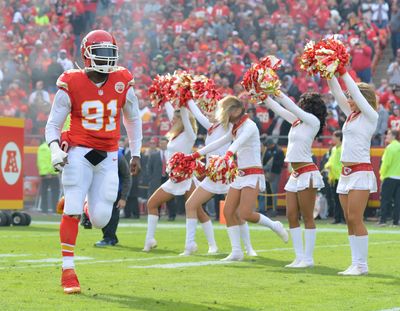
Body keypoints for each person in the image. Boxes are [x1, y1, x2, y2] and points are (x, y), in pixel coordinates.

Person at [45, 30, 142, 294]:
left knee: (100, 219)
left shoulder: (122, 80)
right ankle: (68, 271)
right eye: (101, 53)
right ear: (86, 54)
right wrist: (55, 149)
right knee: (73, 205)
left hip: (109, 154)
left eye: (110, 53)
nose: (107, 59)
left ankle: (85, 204)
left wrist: (136, 153)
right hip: (79, 150)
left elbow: (132, 119)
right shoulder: (71, 81)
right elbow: (53, 124)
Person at [187, 96, 288, 261]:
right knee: (228, 211)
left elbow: (237, 143)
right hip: (239, 174)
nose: (224, 115)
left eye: (227, 111)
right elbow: (219, 142)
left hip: (252, 173)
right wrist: (194, 155)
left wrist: (227, 156)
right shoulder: (235, 127)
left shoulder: (250, 126)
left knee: (245, 213)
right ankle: (236, 252)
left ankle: (274, 225)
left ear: (237, 110)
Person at [183, 99, 257, 256]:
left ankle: (249, 248)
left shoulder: (228, 126)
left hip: (227, 174)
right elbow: (197, 113)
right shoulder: (211, 128)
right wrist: (187, 98)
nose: (208, 113)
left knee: (236, 212)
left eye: (213, 110)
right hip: (212, 174)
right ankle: (192, 245)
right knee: (191, 204)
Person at [264, 92, 326, 268]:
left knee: (307, 217)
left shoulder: (313, 122)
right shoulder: (296, 121)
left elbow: (290, 106)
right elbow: (279, 109)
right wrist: (264, 97)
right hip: (295, 174)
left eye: (304, 103)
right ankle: (298, 257)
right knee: (291, 215)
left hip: (307, 172)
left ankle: (308, 258)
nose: (300, 105)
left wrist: (276, 91)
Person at [327, 69, 379, 276]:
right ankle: (355, 263)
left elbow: (353, 93)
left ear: (362, 98)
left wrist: (342, 70)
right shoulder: (351, 116)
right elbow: (336, 92)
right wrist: (328, 71)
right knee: (349, 219)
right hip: (346, 173)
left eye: (352, 96)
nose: (348, 99)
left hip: (360, 172)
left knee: (355, 217)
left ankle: (362, 265)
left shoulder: (370, 116)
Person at [143, 101, 204, 252]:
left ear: (183, 120)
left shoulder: (189, 134)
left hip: (185, 177)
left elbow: (182, 114)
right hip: (174, 178)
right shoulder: (174, 135)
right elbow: (172, 112)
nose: (172, 120)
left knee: (193, 209)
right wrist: (164, 98)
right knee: (152, 204)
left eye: (175, 119)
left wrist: (183, 102)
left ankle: (190, 243)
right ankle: (150, 240)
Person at [95, 148, 132, 246]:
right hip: (100, 189)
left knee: (112, 214)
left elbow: (127, 176)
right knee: (101, 214)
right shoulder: (95, 153)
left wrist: (123, 197)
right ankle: (111, 238)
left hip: (115, 190)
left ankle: (109, 238)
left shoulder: (118, 157)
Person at [147, 137, 177, 221]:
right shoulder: (154, 155)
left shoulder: (172, 155)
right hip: (157, 180)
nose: (162, 145)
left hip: (169, 179)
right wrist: (151, 179)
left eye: (164, 143)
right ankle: (157, 215)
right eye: (161, 143)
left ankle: (172, 216)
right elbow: (149, 168)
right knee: (157, 198)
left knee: (170, 198)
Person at [378, 129, 400, 226]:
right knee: (398, 201)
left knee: (385, 200)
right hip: (399, 178)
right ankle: (396, 221)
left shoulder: (390, 148)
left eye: (388, 134)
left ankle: (383, 220)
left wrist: (381, 175)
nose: (386, 136)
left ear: (393, 136)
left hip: (389, 177)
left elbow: (386, 163)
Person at [325, 131, 345, 224]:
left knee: (342, 200)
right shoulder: (333, 149)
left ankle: (344, 218)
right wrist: (328, 165)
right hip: (333, 177)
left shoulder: (343, 149)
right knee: (335, 199)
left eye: (334, 136)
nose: (332, 138)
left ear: (339, 138)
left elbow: (342, 164)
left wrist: (332, 166)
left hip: (341, 177)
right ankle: (337, 218)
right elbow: (330, 161)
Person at [262, 138, 285, 215]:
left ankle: (274, 209)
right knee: (267, 191)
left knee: (274, 192)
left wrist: (270, 167)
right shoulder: (268, 150)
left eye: (268, 145)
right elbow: (265, 160)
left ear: (271, 144)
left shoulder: (279, 151)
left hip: (275, 173)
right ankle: (268, 208)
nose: (267, 147)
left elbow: (281, 163)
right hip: (267, 173)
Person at [36, 140, 60, 213]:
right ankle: (55, 209)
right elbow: (52, 160)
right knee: (55, 192)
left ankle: (44, 209)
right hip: (52, 174)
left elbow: (40, 161)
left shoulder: (41, 148)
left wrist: (43, 172)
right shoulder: (53, 147)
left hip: (43, 173)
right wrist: (50, 171)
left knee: (44, 192)